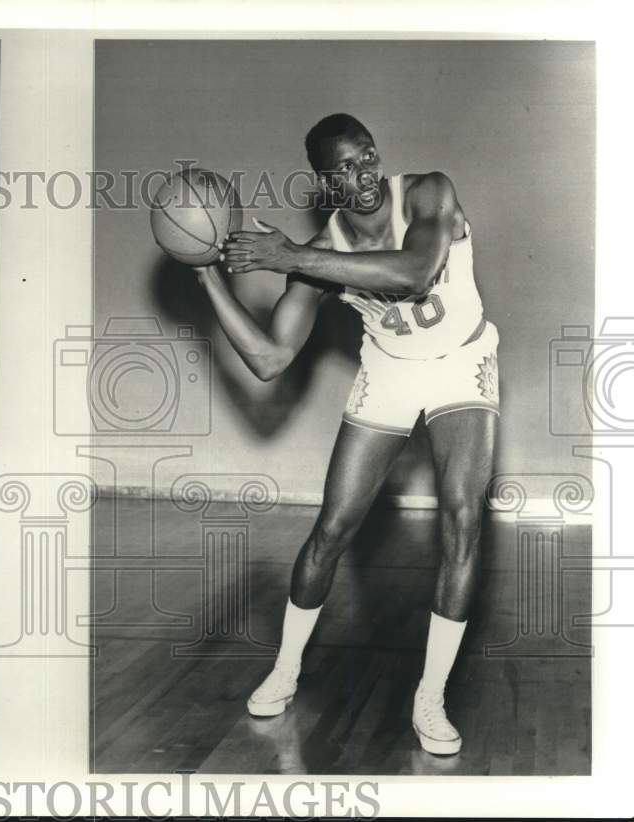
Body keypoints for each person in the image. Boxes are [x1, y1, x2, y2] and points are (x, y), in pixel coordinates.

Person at [195, 113, 499, 756]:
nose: (360, 177)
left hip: (460, 365)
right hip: (388, 370)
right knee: (331, 528)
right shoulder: (320, 253)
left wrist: (292, 255)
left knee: (464, 518)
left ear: (377, 153)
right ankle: (285, 669)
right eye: (342, 170)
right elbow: (269, 359)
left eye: (366, 159)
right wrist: (206, 278)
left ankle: (431, 696)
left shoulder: (428, 191)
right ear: (323, 182)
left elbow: (416, 271)